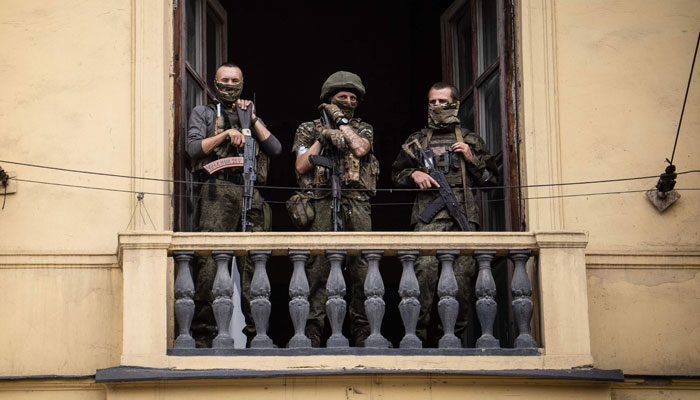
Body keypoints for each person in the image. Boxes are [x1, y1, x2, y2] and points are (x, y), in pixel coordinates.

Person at [391, 82, 498, 347]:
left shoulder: (470, 140)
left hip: (462, 223)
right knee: (422, 279)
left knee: (460, 285)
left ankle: (450, 340)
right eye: (433, 102)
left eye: (442, 101)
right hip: (427, 224)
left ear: (455, 104)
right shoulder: (417, 141)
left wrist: (472, 159)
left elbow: (490, 182)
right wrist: (413, 173)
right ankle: (419, 340)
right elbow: (395, 175)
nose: (437, 106)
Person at [186, 62, 281, 347]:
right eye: (224, 80)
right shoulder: (203, 113)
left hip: (249, 190)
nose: (229, 84)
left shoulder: (248, 114)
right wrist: (226, 134)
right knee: (211, 264)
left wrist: (249, 119)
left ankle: (258, 334)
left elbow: (274, 148)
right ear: (215, 84)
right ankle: (204, 334)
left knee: (254, 264)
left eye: (234, 80)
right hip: (218, 190)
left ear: (242, 83)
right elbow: (192, 149)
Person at [290, 71, 380, 347]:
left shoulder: (362, 128)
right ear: (329, 98)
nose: (349, 101)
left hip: (356, 204)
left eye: (354, 97)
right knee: (317, 268)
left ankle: (364, 330)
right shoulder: (307, 128)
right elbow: (301, 165)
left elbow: (361, 149)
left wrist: (341, 124)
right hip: (320, 203)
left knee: (361, 269)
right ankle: (313, 330)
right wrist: (323, 137)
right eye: (342, 97)